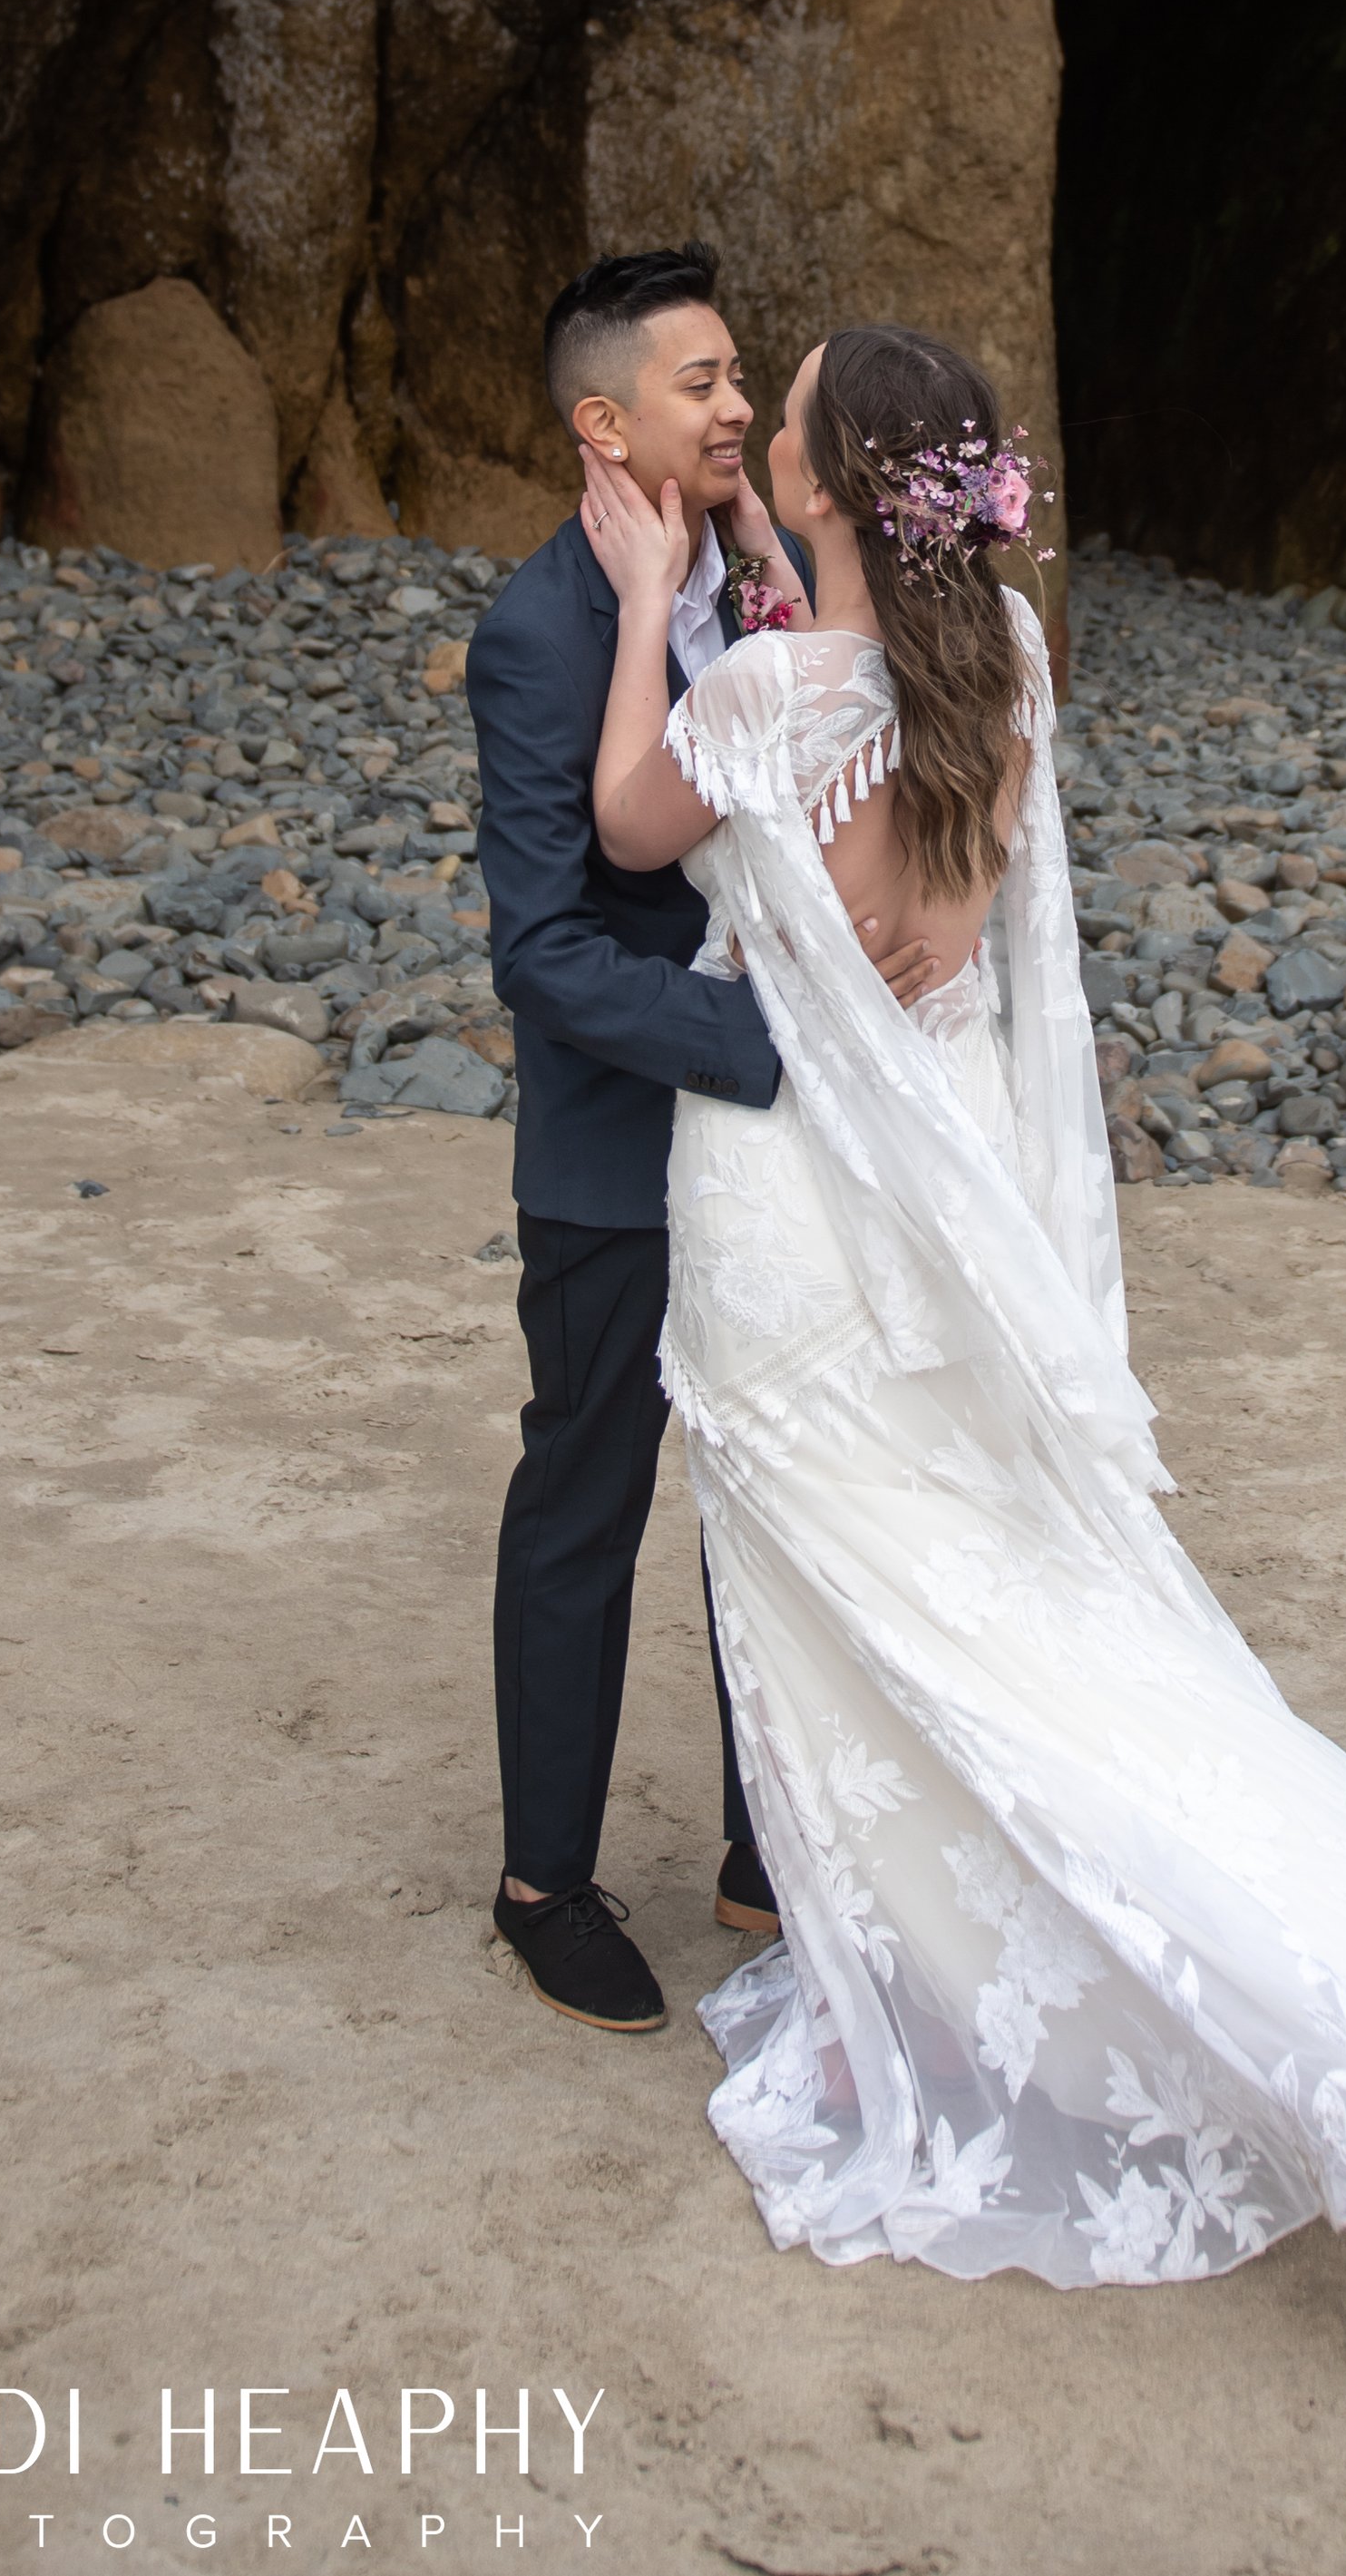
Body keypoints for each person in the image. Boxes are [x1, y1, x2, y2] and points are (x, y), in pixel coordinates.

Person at [572, 317, 1346, 2360]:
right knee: (993, 1593)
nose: (764, 428)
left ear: (829, 483)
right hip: (937, 1191)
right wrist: (759, 555)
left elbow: (638, 828)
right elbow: (931, 890)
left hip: (785, 1212)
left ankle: (917, 2003)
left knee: (858, 1608)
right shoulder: (992, 662)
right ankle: (1154, 1961)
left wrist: (657, 594)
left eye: (788, 415)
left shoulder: (758, 684)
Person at [464, 247, 937, 2036]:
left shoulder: (789, 581)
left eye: (745, 378)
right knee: (582, 1506)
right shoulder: (534, 633)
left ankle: (762, 1851)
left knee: (775, 1494)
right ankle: (542, 1882)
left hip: (779, 1172)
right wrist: (767, 1031)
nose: (736, 407)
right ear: (602, 422)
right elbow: (542, 944)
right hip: (616, 1151)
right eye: (698, 383)